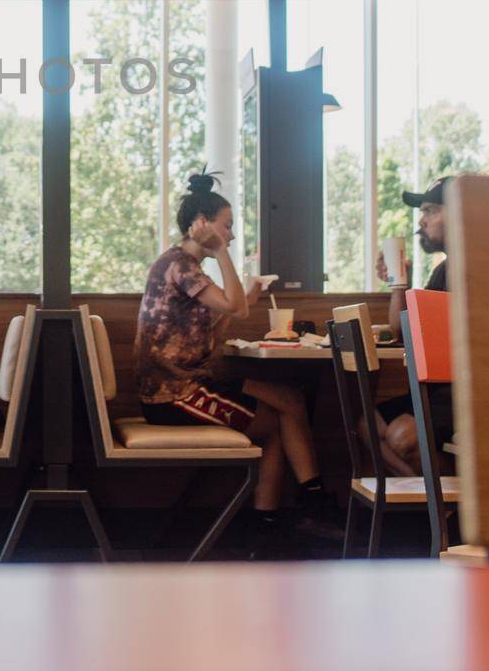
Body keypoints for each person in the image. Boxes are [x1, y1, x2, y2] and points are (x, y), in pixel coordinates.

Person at [134, 170, 338, 551]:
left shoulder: (183, 267)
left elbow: (218, 315)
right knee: (285, 409)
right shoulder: (180, 265)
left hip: (187, 385)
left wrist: (248, 295)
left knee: (289, 401)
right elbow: (233, 306)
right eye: (226, 227)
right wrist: (222, 254)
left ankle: (275, 517)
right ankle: (306, 505)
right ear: (202, 225)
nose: (229, 234)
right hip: (173, 395)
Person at [372, 176, 456, 472]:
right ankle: (435, 511)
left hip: (467, 391)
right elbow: (402, 331)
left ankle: (447, 510)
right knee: (367, 424)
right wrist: (398, 282)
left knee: (401, 438)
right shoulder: (445, 270)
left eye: (430, 210)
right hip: (438, 388)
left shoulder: (480, 266)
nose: (421, 221)